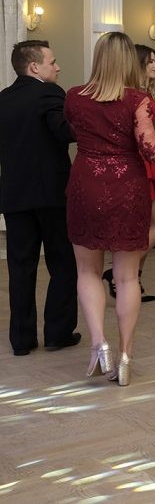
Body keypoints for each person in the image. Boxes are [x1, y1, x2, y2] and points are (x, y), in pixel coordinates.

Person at [65, 32, 155, 385]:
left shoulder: (74, 96)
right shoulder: (138, 101)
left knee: (87, 271)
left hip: (85, 185)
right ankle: (125, 355)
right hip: (127, 188)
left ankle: (99, 344)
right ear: (129, 61)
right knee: (127, 277)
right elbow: (154, 151)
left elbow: (78, 133)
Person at [0, 40, 79, 357]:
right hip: (51, 194)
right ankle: (58, 333)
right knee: (63, 263)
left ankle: (21, 340)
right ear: (34, 67)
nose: (57, 67)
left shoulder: (2, 99)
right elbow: (64, 132)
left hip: (14, 194)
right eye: (52, 62)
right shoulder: (50, 93)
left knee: (20, 267)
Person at [101, 44, 155, 304]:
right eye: (150, 61)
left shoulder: (152, 93)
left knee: (148, 227)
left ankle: (132, 281)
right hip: (140, 161)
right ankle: (120, 272)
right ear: (137, 64)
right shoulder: (124, 95)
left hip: (154, 160)